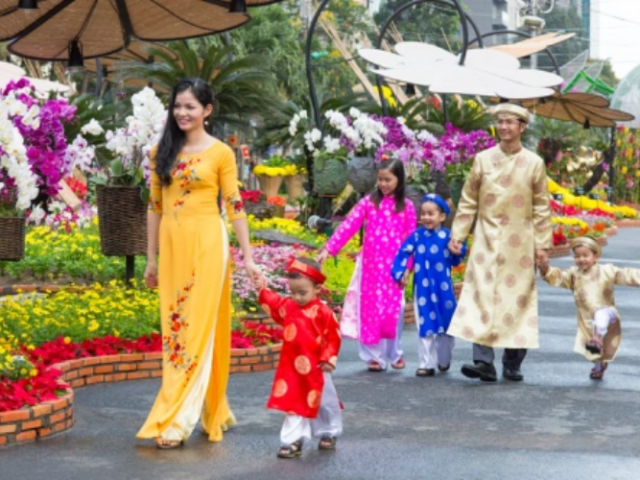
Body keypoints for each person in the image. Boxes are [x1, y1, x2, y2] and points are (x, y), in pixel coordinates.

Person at [137, 78, 263, 449]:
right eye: (177, 106)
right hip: (173, 247)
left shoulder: (221, 152)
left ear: (207, 110)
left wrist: (248, 257)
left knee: (196, 329)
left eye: (190, 106)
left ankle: (177, 419)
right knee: (175, 329)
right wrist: (150, 259)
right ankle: (210, 407)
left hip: (208, 245)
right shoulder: (160, 152)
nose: (182, 112)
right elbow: (155, 207)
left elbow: (234, 204)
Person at [447, 103, 552, 383]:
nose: (504, 127)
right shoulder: (482, 159)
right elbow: (468, 199)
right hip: (486, 240)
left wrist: (542, 245)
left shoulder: (534, 163)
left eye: (510, 122)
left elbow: (542, 206)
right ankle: (483, 362)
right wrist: (458, 234)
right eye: (500, 122)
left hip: (521, 244)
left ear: (522, 127)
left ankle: (512, 363)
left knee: (517, 299)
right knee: (480, 295)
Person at [316, 159, 417, 372]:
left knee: (394, 310)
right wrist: (328, 249)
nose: (383, 184)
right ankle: (374, 357)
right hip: (370, 267)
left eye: (388, 179)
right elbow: (349, 225)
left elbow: (411, 239)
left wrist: (408, 268)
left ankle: (395, 353)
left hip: (395, 267)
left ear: (399, 179)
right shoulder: (369, 202)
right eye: (380, 179)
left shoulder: (407, 206)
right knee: (371, 310)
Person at [257, 257, 342, 459]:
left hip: (318, 368)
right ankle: (292, 440)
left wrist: (328, 358)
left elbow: (333, 337)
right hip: (291, 368)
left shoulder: (324, 312)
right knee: (294, 402)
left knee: (325, 402)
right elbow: (274, 303)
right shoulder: (289, 306)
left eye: (302, 292)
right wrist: (261, 288)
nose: (297, 297)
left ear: (317, 289)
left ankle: (328, 431)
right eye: (293, 292)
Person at [539, 237, 640, 380]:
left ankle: (597, 337)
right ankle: (599, 366)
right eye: (577, 256)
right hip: (587, 319)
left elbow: (627, 275)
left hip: (608, 312)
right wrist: (545, 268)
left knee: (600, 314)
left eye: (585, 255)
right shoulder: (573, 274)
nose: (581, 259)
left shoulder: (607, 270)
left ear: (596, 256)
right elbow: (558, 277)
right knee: (594, 351)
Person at [391, 194, 467, 377]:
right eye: (423, 213)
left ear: (442, 216)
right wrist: (400, 272)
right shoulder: (417, 236)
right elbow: (403, 252)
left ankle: (443, 360)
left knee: (447, 326)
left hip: (444, 291)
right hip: (422, 291)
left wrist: (458, 251)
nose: (425, 217)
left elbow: (458, 256)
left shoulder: (448, 236)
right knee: (425, 325)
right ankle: (426, 364)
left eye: (430, 214)